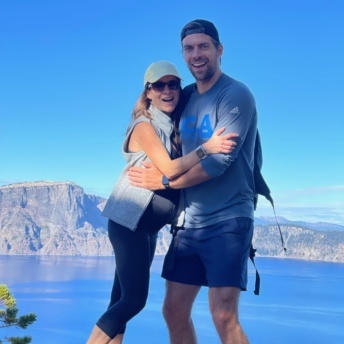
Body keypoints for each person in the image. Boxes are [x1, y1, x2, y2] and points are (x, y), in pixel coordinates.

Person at [86, 60, 237, 344]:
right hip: (128, 222)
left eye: (173, 84)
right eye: (159, 85)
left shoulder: (172, 125)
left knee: (119, 301)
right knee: (134, 300)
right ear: (148, 93)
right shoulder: (144, 125)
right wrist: (208, 149)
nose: (167, 90)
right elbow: (169, 169)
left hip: (147, 228)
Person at [127, 19, 258, 344]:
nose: (196, 54)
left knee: (224, 315)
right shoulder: (184, 96)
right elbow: (156, 119)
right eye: (189, 48)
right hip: (189, 224)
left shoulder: (234, 94)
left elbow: (217, 163)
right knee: (173, 310)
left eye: (203, 46)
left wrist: (164, 181)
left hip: (228, 219)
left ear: (219, 50)